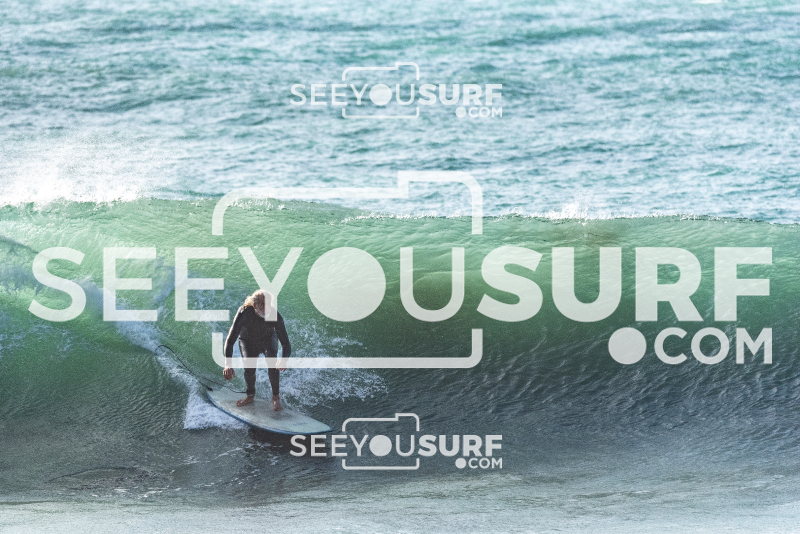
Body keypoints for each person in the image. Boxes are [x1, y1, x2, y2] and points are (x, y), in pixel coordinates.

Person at [222, 289, 290, 410]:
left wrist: (284, 360)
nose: (266, 308)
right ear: (254, 305)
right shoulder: (244, 312)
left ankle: (276, 397)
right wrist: (228, 365)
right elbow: (230, 340)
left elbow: (286, 343)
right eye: (262, 304)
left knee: (273, 365)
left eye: (268, 304)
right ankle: (250, 396)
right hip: (247, 341)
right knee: (249, 368)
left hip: (268, 340)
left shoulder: (275, 316)